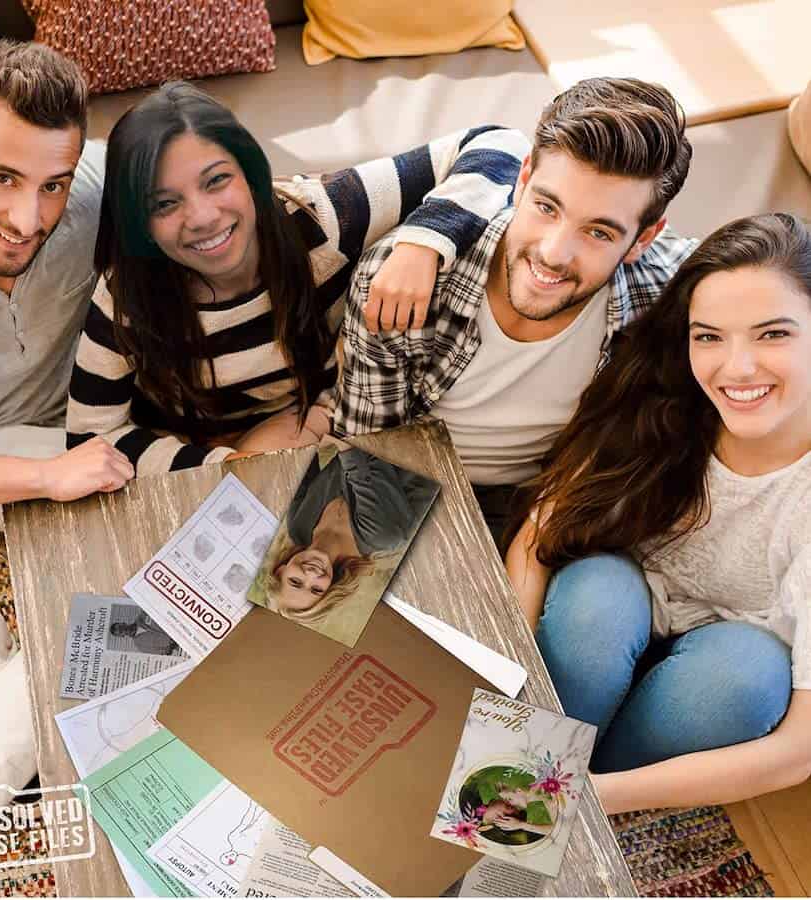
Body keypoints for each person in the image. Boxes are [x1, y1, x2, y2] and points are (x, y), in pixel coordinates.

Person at [0, 41, 134, 890]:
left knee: (117, 616)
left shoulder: (96, 189)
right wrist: (44, 480)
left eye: (52, 185)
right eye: (3, 178)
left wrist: (425, 238)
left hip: (70, 442)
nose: (29, 218)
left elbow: (240, 198)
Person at [505, 214, 811, 813]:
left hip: (732, 663)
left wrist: (588, 799)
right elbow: (541, 531)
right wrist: (506, 683)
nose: (737, 368)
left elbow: (799, 752)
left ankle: (560, 803)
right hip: (616, 605)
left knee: (747, 676)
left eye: (773, 334)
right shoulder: (670, 396)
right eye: (709, 336)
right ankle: (518, 773)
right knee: (599, 593)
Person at [66, 82, 530, 472]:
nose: (203, 216)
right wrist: (227, 463)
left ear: (251, 173)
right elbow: (90, 439)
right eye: (165, 204)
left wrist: (425, 242)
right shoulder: (128, 294)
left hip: (320, 421)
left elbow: (500, 142)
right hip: (201, 459)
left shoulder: (322, 220)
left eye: (217, 181)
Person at [334, 77, 698, 548]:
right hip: (412, 488)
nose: (553, 253)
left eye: (599, 233)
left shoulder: (667, 291)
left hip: (547, 502)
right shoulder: (403, 281)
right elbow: (370, 450)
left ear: (642, 240)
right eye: (547, 207)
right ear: (522, 180)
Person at [263, 446, 438, 622]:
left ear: (280, 571)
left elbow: (299, 455)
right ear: (330, 588)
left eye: (295, 581)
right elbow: (363, 451)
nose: (311, 574)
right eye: (316, 589)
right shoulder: (380, 537)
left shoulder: (298, 527)